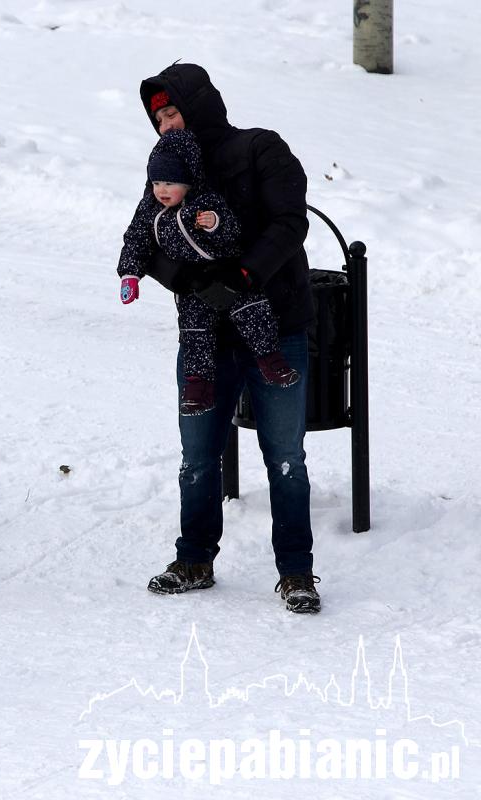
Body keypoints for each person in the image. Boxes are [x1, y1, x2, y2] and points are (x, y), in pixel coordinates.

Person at [135, 64, 321, 613]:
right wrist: (188, 280)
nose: (166, 125)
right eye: (159, 119)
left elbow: (289, 223)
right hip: (205, 339)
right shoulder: (166, 168)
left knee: (285, 458)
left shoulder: (261, 148)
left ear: (198, 106)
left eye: (173, 112)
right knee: (197, 458)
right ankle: (194, 559)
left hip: (274, 328)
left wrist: (243, 275)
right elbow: (146, 239)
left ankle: (297, 572)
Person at [118, 128, 299, 416]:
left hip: (225, 271)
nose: (161, 190)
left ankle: (271, 361)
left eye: (170, 183)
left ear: (188, 181)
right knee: (194, 332)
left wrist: (215, 223)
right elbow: (136, 241)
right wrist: (130, 274)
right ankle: (198, 388)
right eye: (156, 183)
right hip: (193, 285)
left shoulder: (205, 202)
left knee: (253, 311)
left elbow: (233, 231)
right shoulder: (149, 210)